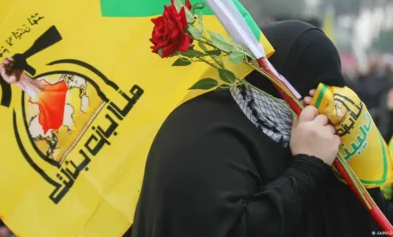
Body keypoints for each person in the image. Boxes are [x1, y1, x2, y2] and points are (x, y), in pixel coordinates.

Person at [129, 21, 388, 237]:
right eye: (317, 91)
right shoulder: (202, 141)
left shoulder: (310, 135)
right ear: (283, 85)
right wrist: (307, 168)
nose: (326, 103)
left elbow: (367, 217)